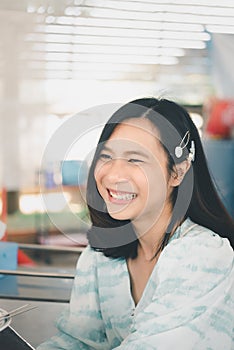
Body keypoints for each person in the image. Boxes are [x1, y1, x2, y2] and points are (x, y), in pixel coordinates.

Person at [37, 98, 234, 350]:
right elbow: (78, 342)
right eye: (106, 156)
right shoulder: (99, 256)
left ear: (177, 172)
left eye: (135, 160)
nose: (113, 174)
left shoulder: (203, 256)